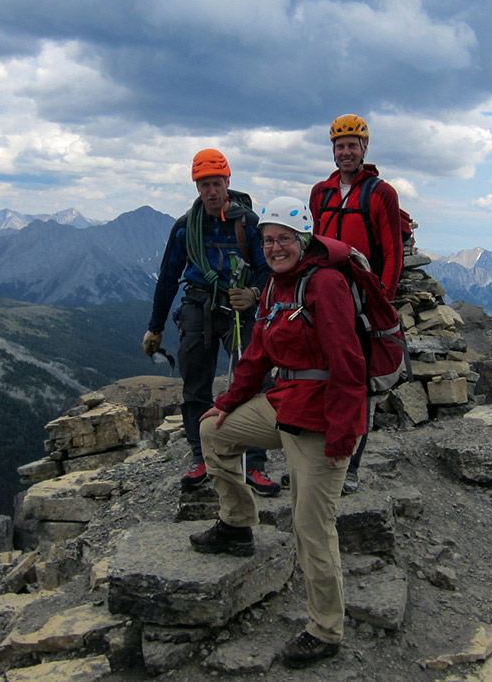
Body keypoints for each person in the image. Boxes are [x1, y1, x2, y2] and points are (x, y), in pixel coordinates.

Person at [188, 196, 366, 669]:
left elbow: (349, 363)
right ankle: (237, 524)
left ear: (303, 240)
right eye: (268, 240)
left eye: (284, 239)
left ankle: (325, 630)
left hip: (321, 420)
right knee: (214, 432)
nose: (275, 247)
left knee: (311, 526)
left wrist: (344, 433)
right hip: (285, 404)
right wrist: (226, 404)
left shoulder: (323, 284)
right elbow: (259, 357)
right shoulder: (274, 289)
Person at [143, 149, 280, 497]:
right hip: (199, 304)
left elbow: (268, 269)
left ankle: (256, 463)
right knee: (195, 384)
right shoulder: (185, 227)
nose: (211, 191)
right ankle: (201, 458)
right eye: (204, 185)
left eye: (216, 183)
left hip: (240, 308)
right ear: (197, 186)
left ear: (227, 182)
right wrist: (155, 326)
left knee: (255, 379)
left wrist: (253, 293)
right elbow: (168, 278)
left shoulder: (248, 223)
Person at [308, 113, 404, 494]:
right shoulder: (321, 192)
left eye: (352, 145)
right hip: (321, 296)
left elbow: (392, 253)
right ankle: (313, 459)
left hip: (361, 302)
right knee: (317, 375)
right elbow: (312, 240)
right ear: (332, 150)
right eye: (340, 145)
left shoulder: (382, 193)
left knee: (357, 384)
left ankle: (349, 466)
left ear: (364, 148)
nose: (346, 151)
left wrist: (383, 302)